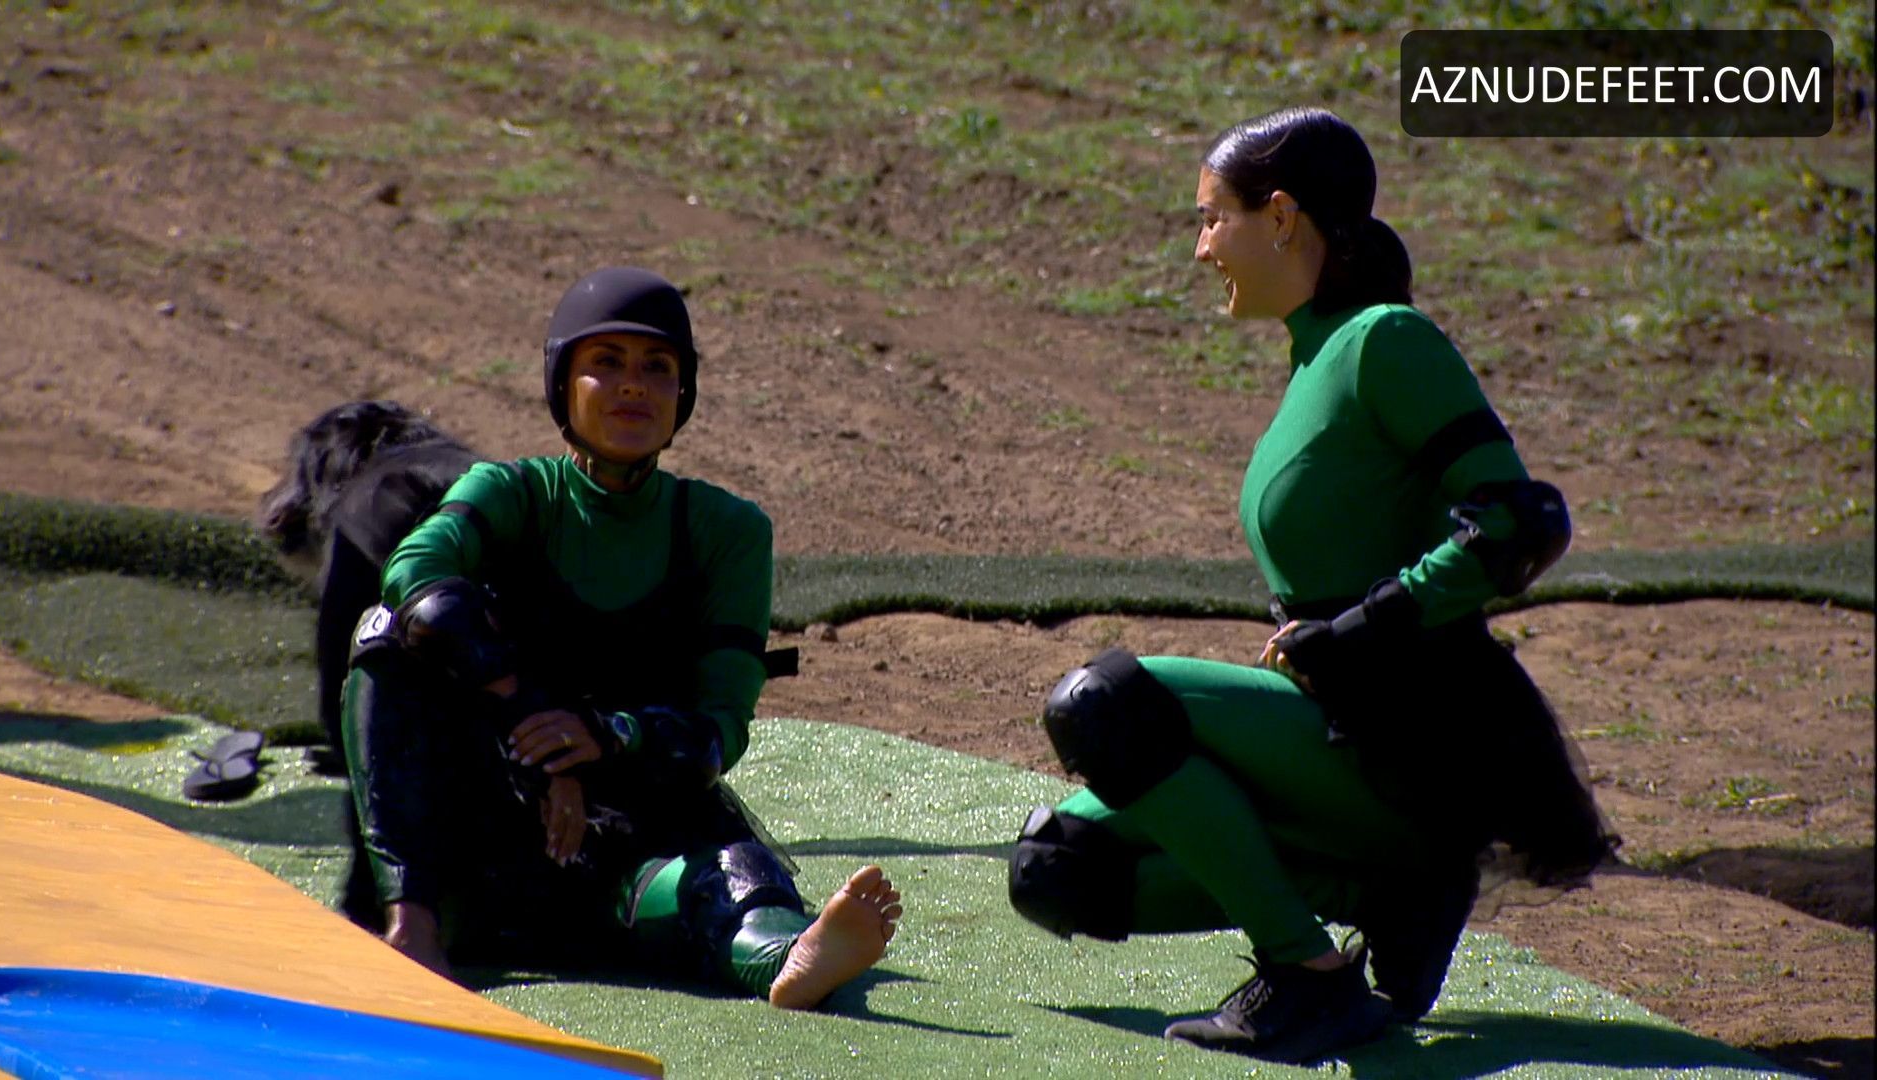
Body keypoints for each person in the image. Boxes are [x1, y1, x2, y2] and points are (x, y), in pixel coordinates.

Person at [1006, 108, 1617, 1063]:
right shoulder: (1315, 353)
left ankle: (1308, 976)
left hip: (1405, 741)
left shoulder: (1386, 339)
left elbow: (1518, 522)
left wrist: (1364, 627)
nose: (1202, 246)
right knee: (1056, 870)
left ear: (1282, 217)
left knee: (1104, 706)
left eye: (1213, 218)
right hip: (1333, 725)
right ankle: (1385, 895)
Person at [340, 266, 902, 1009]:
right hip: (484, 826)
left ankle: (788, 956)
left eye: (657, 367)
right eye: (606, 362)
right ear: (562, 384)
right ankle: (412, 928)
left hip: (628, 843)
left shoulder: (728, 531)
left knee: (728, 878)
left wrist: (605, 736)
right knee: (386, 633)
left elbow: (720, 729)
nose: (634, 385)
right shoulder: (510, 493)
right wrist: (534, 724)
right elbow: (413, 572)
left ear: (683, 393)